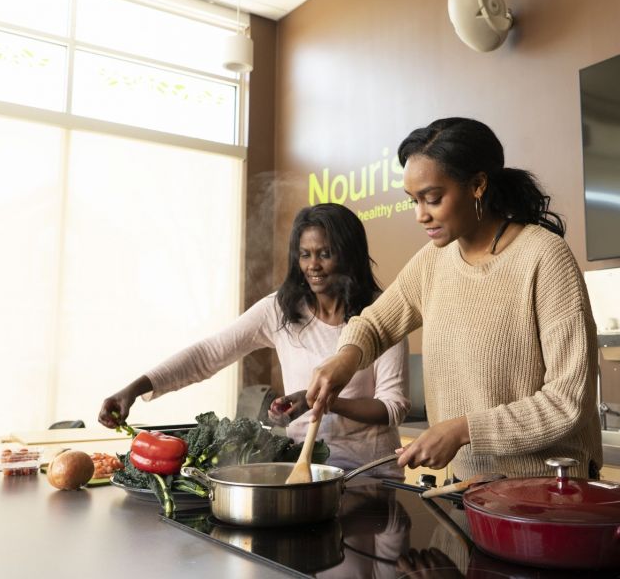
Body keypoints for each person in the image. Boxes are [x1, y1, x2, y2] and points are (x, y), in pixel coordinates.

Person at [306, 117, 601, 482]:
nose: (420, 215)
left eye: (432, 199)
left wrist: (464, 430)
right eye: (413, 201)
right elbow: (374, 324)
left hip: (548, 491)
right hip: (467, 488)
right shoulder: (433, 260)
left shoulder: (544, 257)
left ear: (477, 185)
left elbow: (568, 401)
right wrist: (345, 358)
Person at [98, 203, 409, 478]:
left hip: (370, 474)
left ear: (349, 255)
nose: (313, 265)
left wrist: (318, 400)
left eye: (325, 254)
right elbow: (209, 354)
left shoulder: (381, 313)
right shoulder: (281, 309)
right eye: (305, 254)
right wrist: (135, 389)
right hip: (306, 470)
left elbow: (392, 407)